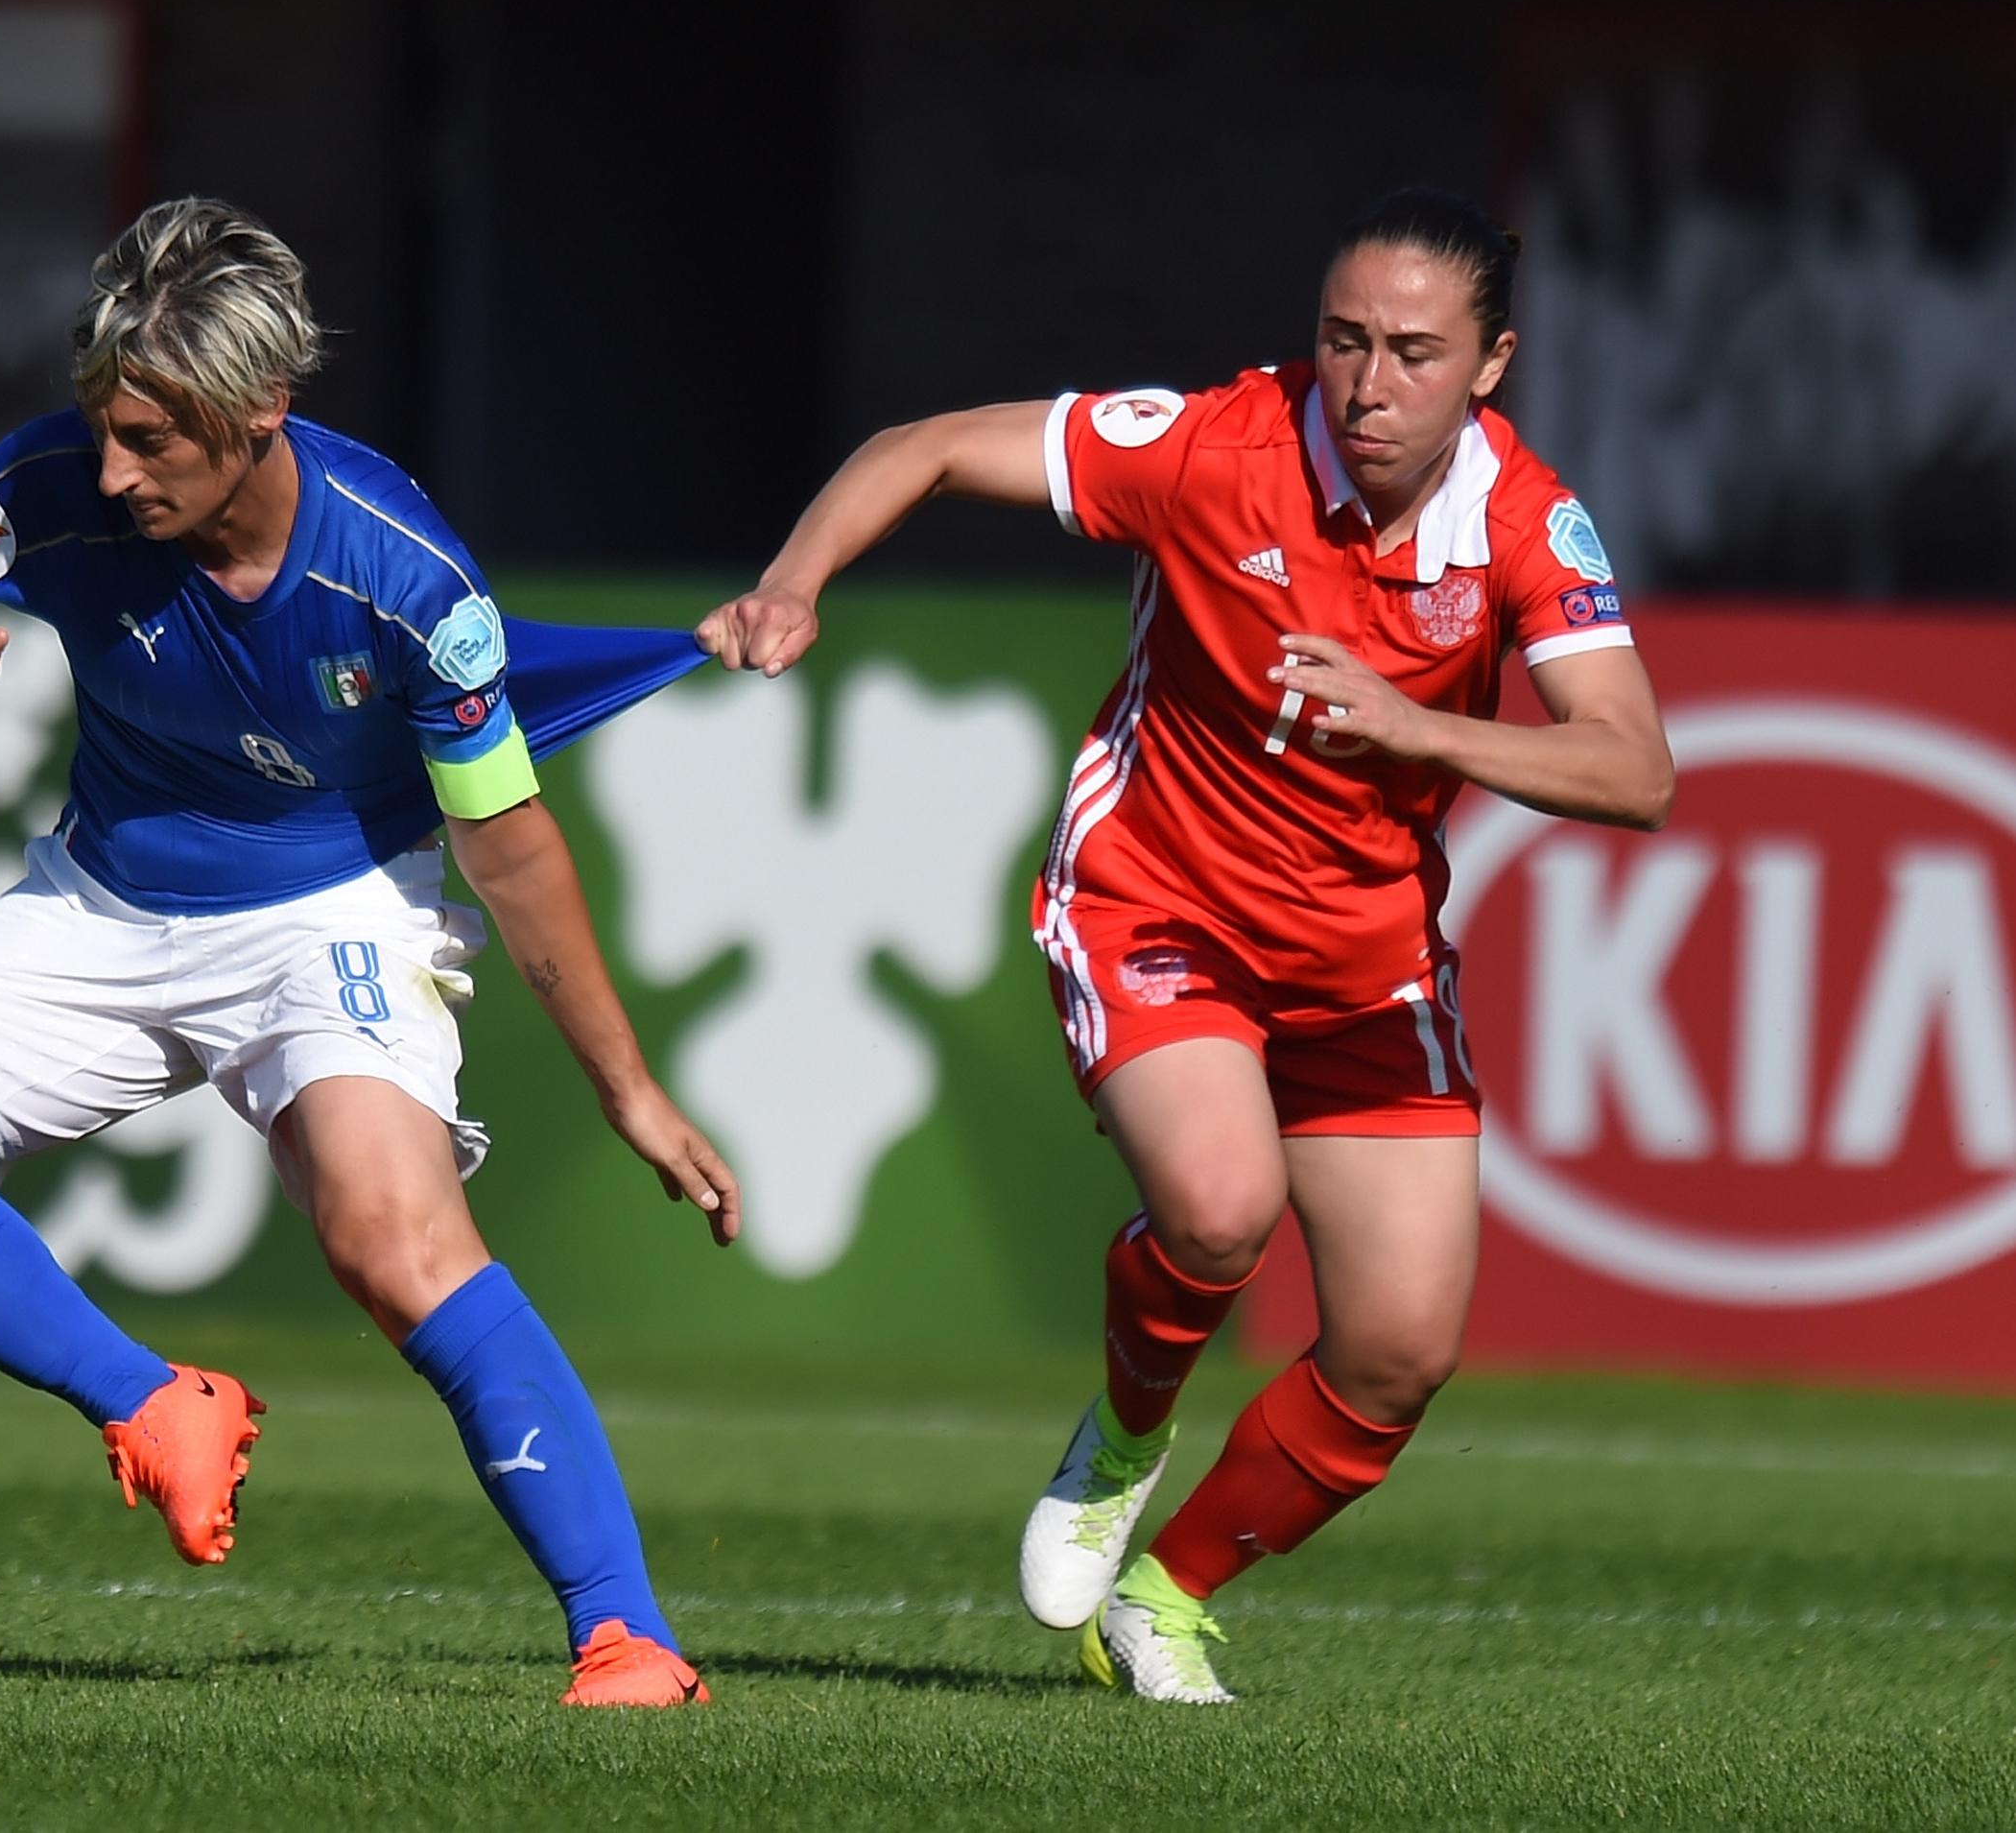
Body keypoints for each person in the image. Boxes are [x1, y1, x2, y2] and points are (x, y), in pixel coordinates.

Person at [0, 197, 737, 1707]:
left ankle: (625, 1635)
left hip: (329, 910)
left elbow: (511, 845)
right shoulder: (42, 485)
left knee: (391, 1246)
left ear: (259, 413)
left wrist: (627, 1089)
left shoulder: (406, 580)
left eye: (152, 439)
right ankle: (153, 1404)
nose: (112, 468)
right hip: (100, 904)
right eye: (104, 428)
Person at [696, 187, 1672, 1703]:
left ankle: (1165, 1597)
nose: (1366, 383)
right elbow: (929, 446)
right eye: (1343, 340)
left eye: (1414, 352)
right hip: (1153, 901)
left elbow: (1634, 769)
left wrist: (1419, 726)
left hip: (1365, 958)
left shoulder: (1527, 520)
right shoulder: (1212, 444)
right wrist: (793, 580)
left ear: (1489, 367)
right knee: (1220, 1212)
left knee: (1399, 1354)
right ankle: (1125, 1432)